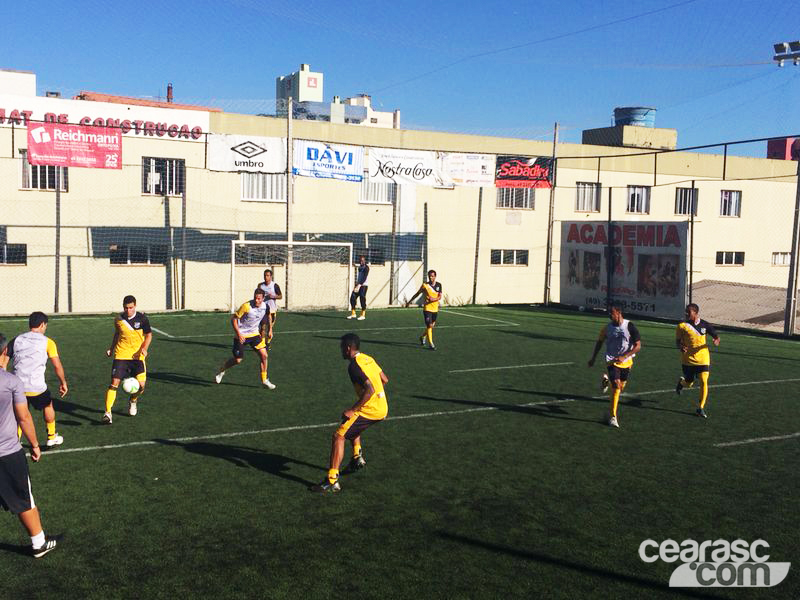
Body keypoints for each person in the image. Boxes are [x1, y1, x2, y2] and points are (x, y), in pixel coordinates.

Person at [0, 334, 58, 558]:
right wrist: (34, 444)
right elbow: (23, 417)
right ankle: (38, 543)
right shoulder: (11, 382)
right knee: (24, 499)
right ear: (5, 353)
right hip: (7, 453)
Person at [312, 333, 388, 493]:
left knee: (338, 436)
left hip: (370, 409)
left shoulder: (353, 366)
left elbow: (369, 390)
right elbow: (384, 379)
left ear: (348, 348)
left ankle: (332, 480)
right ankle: (356, 457)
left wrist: (353, 409)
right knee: (352, 425)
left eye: (342, 347)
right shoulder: (368, 358)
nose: (341, 350)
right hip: (382, 407)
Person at [7, 312, 68, 447]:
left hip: (17, 387)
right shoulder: (48, 342)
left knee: (19, 414)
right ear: (42, 325)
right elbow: (57, 366)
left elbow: (3, 361)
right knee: (48, 405)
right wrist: (63, 382)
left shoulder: (16, 340)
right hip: (37, 388)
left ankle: (15, 441)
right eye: (45, 325)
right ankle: (51, 436)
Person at [588, 304, 642, 428]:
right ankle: (613, 416)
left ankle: (606, 381)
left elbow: (638, 346)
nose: (609, 315)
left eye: (611, 313)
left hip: (626, 362)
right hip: (611, 360)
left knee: (620, 387)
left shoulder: (629, 326)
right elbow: (599, 343)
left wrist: (625, 356)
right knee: (617, 385)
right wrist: (593, 358)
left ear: (618, 312)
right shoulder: (606, 328)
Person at [103, 295, 152, 424]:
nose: (128, 310)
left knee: (141, 387)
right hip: (121, 355)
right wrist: (111, 348)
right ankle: (107, 413)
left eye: (131, 308)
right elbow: (117, 334)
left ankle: (133, 400)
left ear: (135, 306)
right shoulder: (118, 319)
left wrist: (144, 348)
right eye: (126, 308)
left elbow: (149, 335)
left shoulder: (142, 319)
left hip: (137, 357)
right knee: (114, 383)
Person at [215, 288, 276, 389]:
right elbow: (234, 319)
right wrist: (238, 334)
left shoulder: (265, 306)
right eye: (255, 298)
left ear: (263, 299)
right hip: (242, 335)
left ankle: (264, 380)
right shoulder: (246, 306)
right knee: (238, 360)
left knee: (264, 355)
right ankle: (222, 369)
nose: (256, 300)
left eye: (259, 299)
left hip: (254, 334)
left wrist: (270, 330)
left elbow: (269, 315)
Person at [675, 303, 720, 418]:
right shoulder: (682, 326)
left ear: (695, 313)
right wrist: (681, 347)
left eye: (688, 312)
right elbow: (677, 342)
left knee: (704, 381)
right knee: (689, 383)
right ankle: (682, 383)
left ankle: (700, 407)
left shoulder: (705, 325)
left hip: (703, 358)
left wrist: (716, 340)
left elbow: (716, 336)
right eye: (686, 311)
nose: (686, 313)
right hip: (688, 360)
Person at [405, 269, 442, 350]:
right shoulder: (425, 285)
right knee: (429, 326)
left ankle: (422, 337)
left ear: (435, 276)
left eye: (432, 276)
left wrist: (434, 299)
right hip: (427, 309)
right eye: (429, 276)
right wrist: (409, 302)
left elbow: (439, 296)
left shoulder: (439, 285)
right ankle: (431, 344)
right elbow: (417, 294)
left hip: (435, 309)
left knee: (431, 326)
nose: (431, 277)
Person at [258, 269, 282, 343]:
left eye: (268, 275)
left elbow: (280, 296)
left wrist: (273, 296)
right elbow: (257, 296)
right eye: (265, 275)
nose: (266, 277)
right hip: (263, 310)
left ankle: (267, 343)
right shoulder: (260, 286)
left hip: (272, 310)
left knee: (269, 328)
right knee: (262, 328)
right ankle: (262, 344)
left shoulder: (275, 285)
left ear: (271, 277)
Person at [347, 255, 369, 321]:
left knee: (362, 298)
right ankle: (353, 314)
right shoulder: (359, 267)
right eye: (360, 260)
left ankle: (363, 315)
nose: (361, 262)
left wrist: (360, 284)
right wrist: (357, 284)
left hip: (364, 286)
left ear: (365, 261)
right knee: (352, 297)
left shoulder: (366, 268)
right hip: (358, 285)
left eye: (362, 260)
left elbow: (364, 277)